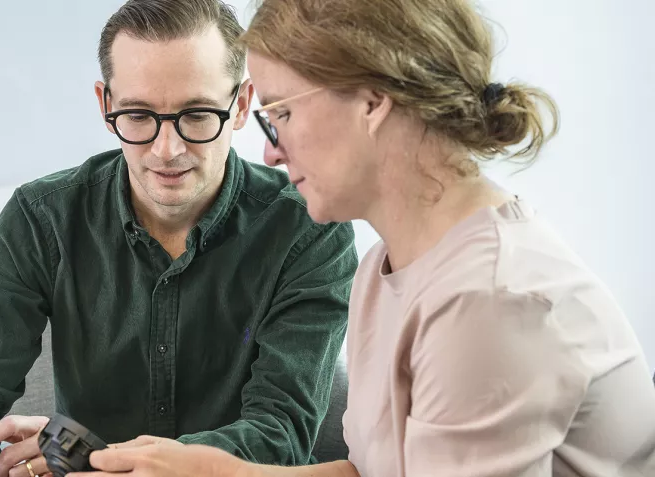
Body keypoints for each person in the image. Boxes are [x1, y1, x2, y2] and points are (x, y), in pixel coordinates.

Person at [76, 0, 655, 476]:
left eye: (281, 115)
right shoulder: (386, 266)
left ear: (373, 102)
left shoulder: (491, 301)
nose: (271, 153)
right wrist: (213, 470)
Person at [0, 1, 358, 476]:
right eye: (139, 115)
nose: (167, 150)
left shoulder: (309, 227)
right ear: (107, 106)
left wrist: (96, 462)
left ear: (242, 105)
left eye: (197, 114)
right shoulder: (40, 220)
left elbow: (279, 436)